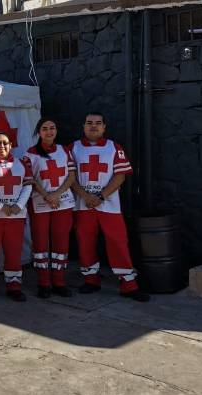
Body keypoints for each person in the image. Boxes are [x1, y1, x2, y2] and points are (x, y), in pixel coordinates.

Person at [70, 112, 150, 302]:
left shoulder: (114, 147)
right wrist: (86, 196)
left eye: (98, 123)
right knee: (85, 241)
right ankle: (91, 279)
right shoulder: (73, 148)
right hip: (83, 204)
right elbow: (69, 177)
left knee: (118, 242)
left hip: (109, 205)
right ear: (83, 126)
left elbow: (120, 176)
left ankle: (128, 285)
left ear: (104, 127)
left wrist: (100, 196)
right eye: (89, 123)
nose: (93, 126)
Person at [24, 118, 76, 298]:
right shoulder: (30, 153)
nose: (49, 131)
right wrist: (47, 195)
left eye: (52, 128)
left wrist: (56, 194)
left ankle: (59, 282)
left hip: (63, 202)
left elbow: (71, 176)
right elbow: (31, 179)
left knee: (61, 242)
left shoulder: (64, 150)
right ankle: (44, 283)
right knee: (40, 243)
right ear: (39, 132)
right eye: (45, 128)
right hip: (40, 203)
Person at [0, 132, 33, 302]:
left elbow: (28, 186)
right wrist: (1, 206)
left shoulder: (22, 163)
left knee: (14, 252)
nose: (1, 146)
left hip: (16, 216)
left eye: (5, 143)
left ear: (10, 145)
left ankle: (14, 285)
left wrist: (18, 205)